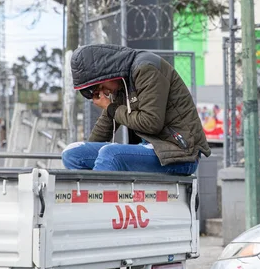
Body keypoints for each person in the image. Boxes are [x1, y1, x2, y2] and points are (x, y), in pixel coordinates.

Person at [62, 44, 211, 175]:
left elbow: (151, 122)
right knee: (73, 153)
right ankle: (90, 197)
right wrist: (90, 148)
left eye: (101, 87)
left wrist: (110, 107)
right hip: (151, 150)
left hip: (179, 153)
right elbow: (106, 124)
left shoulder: (146, 69)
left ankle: (94, 202)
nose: (105, 93)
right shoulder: (121, 83)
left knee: (111, 154)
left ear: (105, 74)